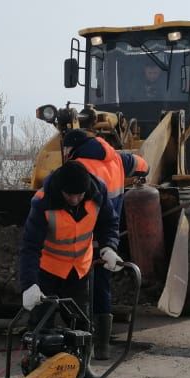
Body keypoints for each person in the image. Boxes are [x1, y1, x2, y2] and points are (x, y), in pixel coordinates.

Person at [61, 128, 148, 359]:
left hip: (85, 237)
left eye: (66, 149)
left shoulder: (79, 167)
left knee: (79, 289)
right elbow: (141, 163)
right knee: (102, 286)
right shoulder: (117, 158)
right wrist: (144, 172)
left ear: (72, 148)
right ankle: (101, 347)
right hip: (109, 236)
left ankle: (80, 343)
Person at [18, 160, 119, 338]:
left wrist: (109, 247)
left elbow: (108, 223)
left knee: (81, 326)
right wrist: (29, 284)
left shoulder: (97, 193)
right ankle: (40, 361)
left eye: (79, 195)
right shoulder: (43, 202)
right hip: (48, 271)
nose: (74, 200)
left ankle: (82, 363)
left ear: (86, 190)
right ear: (60, 189)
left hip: (79, 270)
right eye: (69, 195)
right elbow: (29, 247)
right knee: (41, 325)